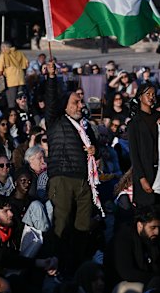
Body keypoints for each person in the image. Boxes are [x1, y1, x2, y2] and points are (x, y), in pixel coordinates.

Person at [44, 62, 101, 278]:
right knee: (62, 225)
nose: (80, 106)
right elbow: (51, 101)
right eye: (75, 102)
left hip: (83, 181)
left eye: (80, 102)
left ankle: (75, 267)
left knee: (82, 226)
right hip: (62, 178)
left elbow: (98, 152)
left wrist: (96, 149)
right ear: (65, 106)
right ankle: (57, 267)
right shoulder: (56, 121)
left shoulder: (85, 127)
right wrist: (51, 76)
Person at [0, 195, 58, 293]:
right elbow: (1, 259)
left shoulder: (13, 226)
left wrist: (48, 260)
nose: (10, 214)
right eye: (5, 211)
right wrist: (36, 262)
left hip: (17, 266)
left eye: (10, 210)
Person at [128, 83, 160, 232]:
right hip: (145, 172)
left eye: (153, 94)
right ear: (140, 97)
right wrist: (142, 178)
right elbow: (134, 154)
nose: (151, 97)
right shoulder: (134, 123)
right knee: (146, 216)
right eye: (148, 94)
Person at [104, 205, 160, 293]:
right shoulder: (123, 238)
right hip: (121, 284)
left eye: (158, 227)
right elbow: (126, 272)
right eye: (152, 227)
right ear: (140, 225)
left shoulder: (150, 238)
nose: (157, 232)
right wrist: (153, 278)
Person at [0, 41, 29, 109]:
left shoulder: (4, 55)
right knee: (21, 100)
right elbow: (26, 65)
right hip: (21, 80)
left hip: (10, 81)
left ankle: (13, 114)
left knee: (12, 102)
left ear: (4, 47)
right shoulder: (21, 53)